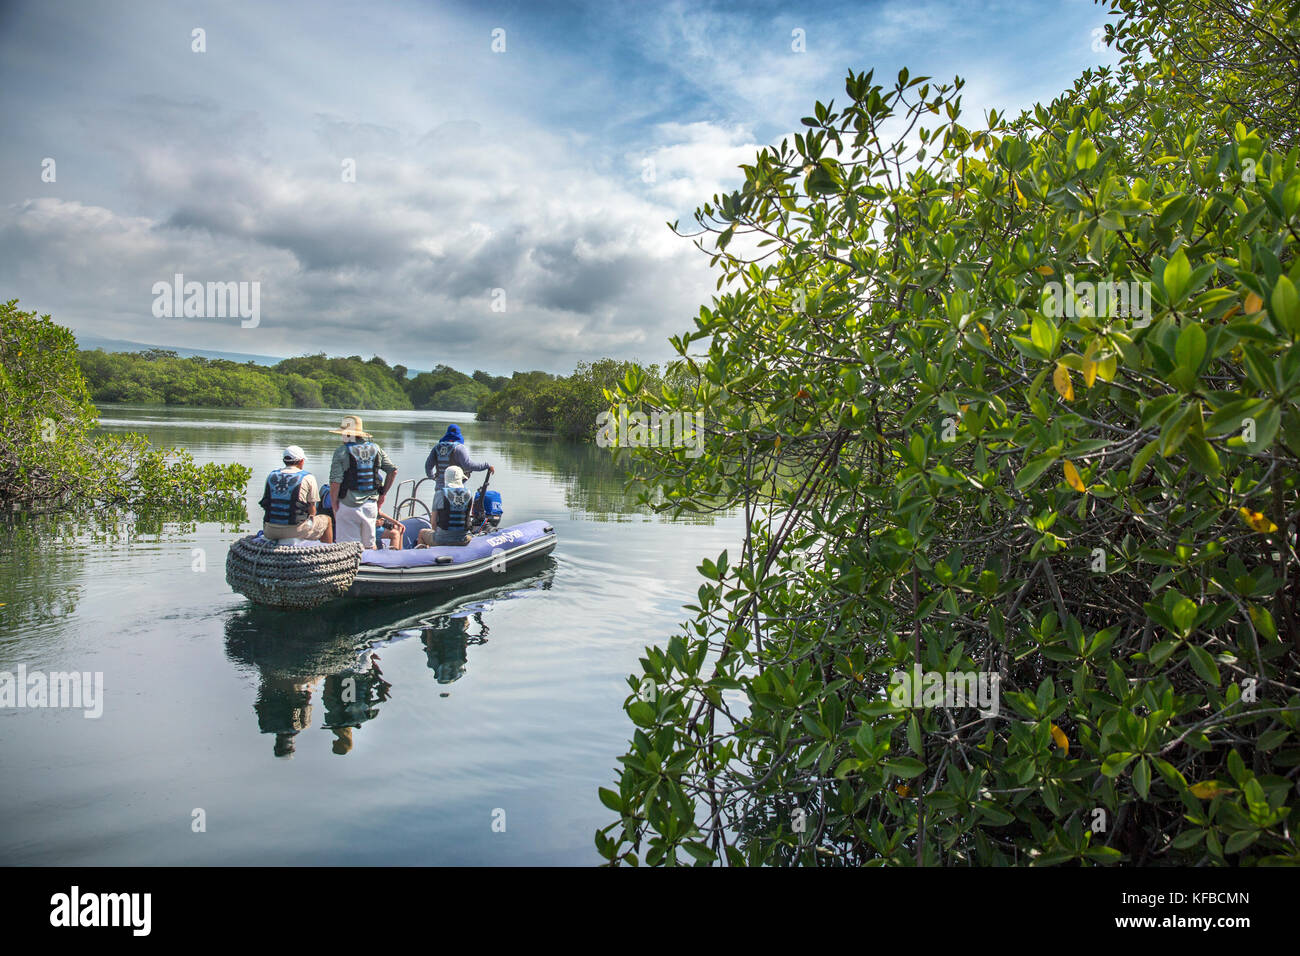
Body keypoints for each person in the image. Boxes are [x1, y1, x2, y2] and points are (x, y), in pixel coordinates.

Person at [327, 416, 397, 548]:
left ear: (347, 434)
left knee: (347, 548)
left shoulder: (341, 451)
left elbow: (335, 482)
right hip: (370, 506)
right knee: (369, 546)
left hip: (348, 505)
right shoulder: (376, 449)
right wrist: (383, 494)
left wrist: (334, 503)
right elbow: (392, 471)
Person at [259, 445, 333, 543]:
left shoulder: (271, 475)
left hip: (270, 531)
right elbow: (312, 510)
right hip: (296, 530)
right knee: (327, 520)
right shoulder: (308, 477)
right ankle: (327, 552)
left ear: (284, 460)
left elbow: (266, 504)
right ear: (301, 461)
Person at [417, 465, 474, 547]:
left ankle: (423, 555)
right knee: (469, 537)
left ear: (446, 478)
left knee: (422, 533)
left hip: (441, 540)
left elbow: (433, 523)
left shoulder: (439, 494)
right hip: (462, 539)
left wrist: (436, 535)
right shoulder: (469, 494)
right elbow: (467, 518)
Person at [425, 423, 493, 492]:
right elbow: (468, 465)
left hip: (439, 489)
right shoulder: (459, 448)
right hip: (456, 489)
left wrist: (432, 477)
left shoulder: (437, 447)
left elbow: (428, 466)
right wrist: (486, 465)